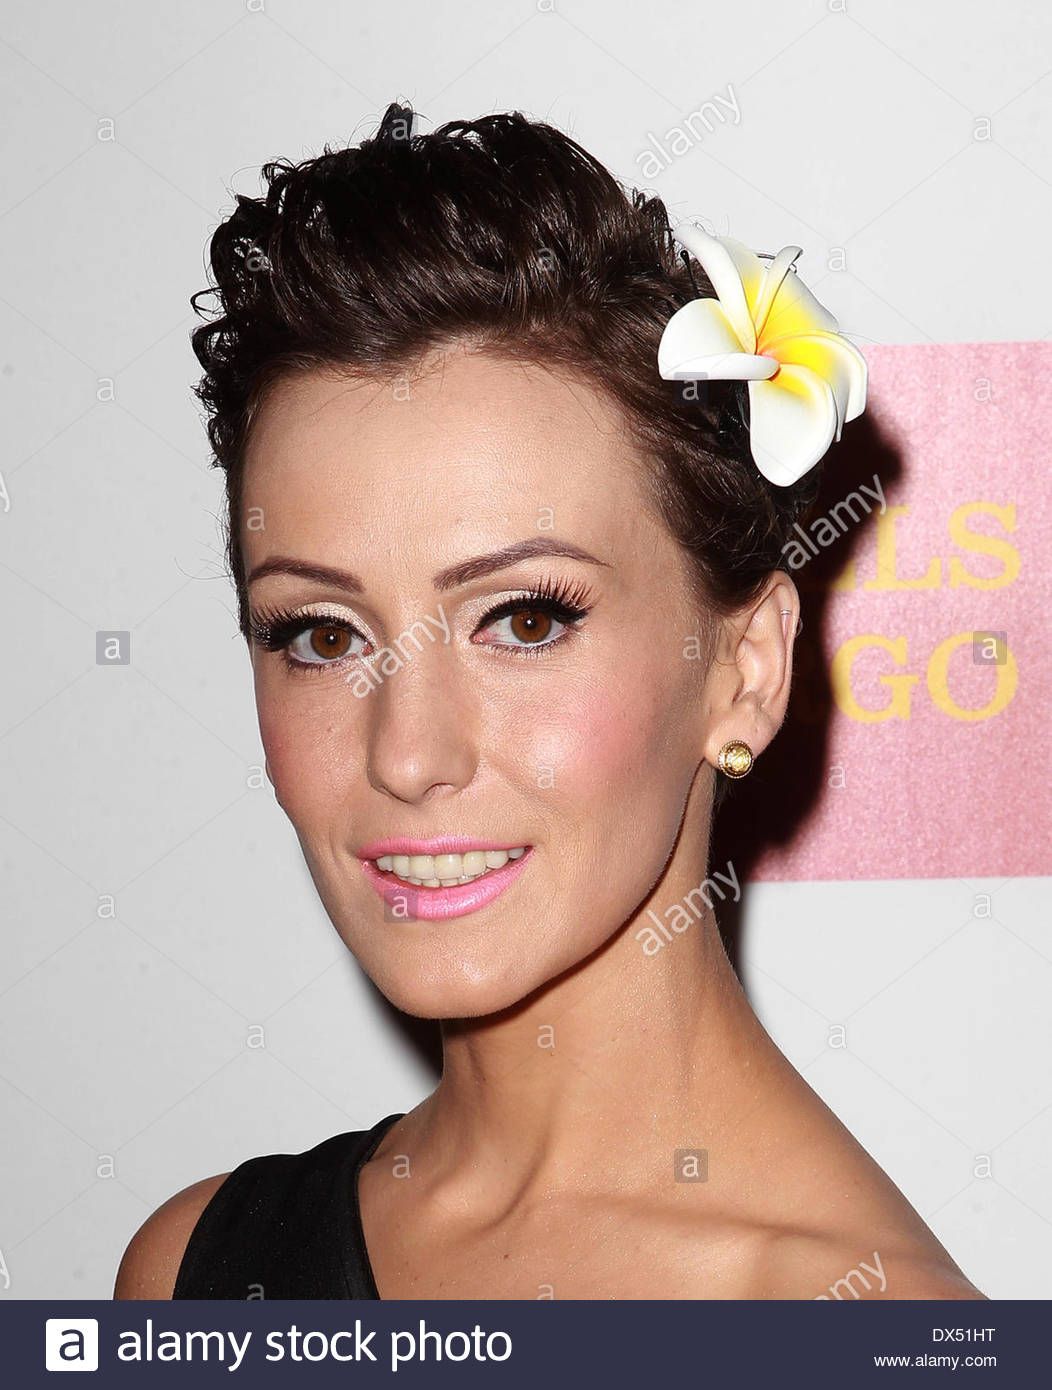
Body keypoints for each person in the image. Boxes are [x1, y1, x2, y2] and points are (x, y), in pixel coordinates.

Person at [114, 102, 984, 1301]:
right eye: (321, 634)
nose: (406, 754)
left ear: (744, 668)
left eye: (523, 620)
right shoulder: (194, 1270)